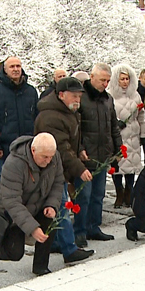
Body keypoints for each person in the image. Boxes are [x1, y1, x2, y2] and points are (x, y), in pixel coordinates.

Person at [0, 133, 63, 276]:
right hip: (12, 210)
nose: (49, 160)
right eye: (45, 157)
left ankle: (41, 266)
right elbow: (12, 201)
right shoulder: (14, 163)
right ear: (33, 151)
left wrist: (51, 205)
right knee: (14, 253)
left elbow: (58, 183)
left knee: (50, 222)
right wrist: (33, 228)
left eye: (51, 156)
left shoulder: (54, 157)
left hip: (39, 204)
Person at [34, 77, 95, 264]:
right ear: (61, 95)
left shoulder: (68, 112)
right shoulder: (50, 117)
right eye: (74, 96)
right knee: (61, 206)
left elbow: (72, 140)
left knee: (59, 206)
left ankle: (58, 243)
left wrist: (80, 151)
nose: (78, 100)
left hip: (59, 167)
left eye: (79, 96)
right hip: (51, 168)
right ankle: (69, 249)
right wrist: (79, 168)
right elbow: (61, 147)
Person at [74, 63, 122, 247]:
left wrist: (118, 148)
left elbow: (113, 126)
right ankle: (80, 231)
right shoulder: (81, 98)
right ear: (92, 77)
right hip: (86, 157)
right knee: (83, 195)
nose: (105, 84)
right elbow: (75, 128)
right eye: (102, 80)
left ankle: (94, 226)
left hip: (103, 155)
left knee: (98, 194)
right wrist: (79, 149)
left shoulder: (108, 99)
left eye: (108, 81)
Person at [0, 56, 39, 181]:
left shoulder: (31, 92)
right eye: (12, 67)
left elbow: (37, 118)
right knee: (6, 188)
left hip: (29, 149)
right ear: (5, 70)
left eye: (18, 66)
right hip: (6, 150)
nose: (16, 69)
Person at [107, 64, 145, 208]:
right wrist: (115, 124)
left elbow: (141, 115)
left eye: (127, 79)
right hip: (117, 136)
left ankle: (129, 192)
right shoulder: (110, 95)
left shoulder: (135, 95)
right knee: (117, 167)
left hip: (133, 135)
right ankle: (119, 192)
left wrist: (144, 132)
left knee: (131, 166)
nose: (125, 81)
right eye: (122, 79)